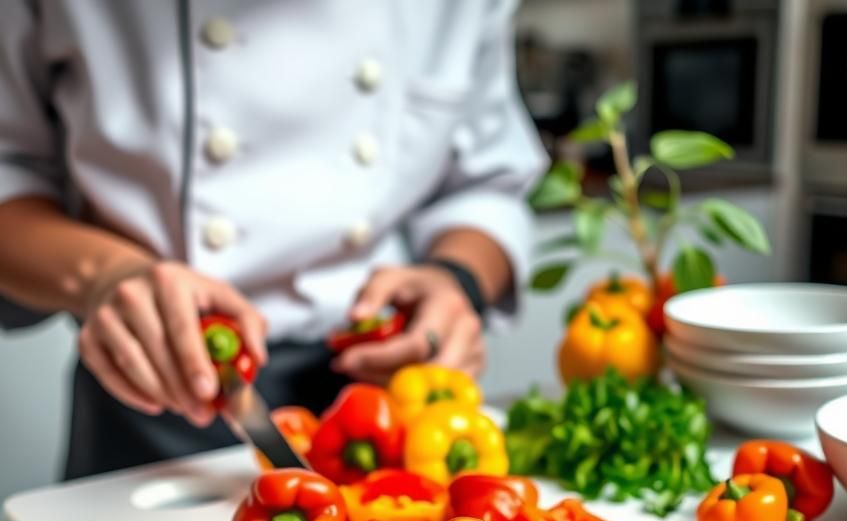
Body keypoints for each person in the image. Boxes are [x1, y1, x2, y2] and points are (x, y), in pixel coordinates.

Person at [0, 1, 546, 478]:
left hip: (389, 400)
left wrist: (456, 280)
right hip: (154, 397)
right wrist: (107, 275)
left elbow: (489, 185)